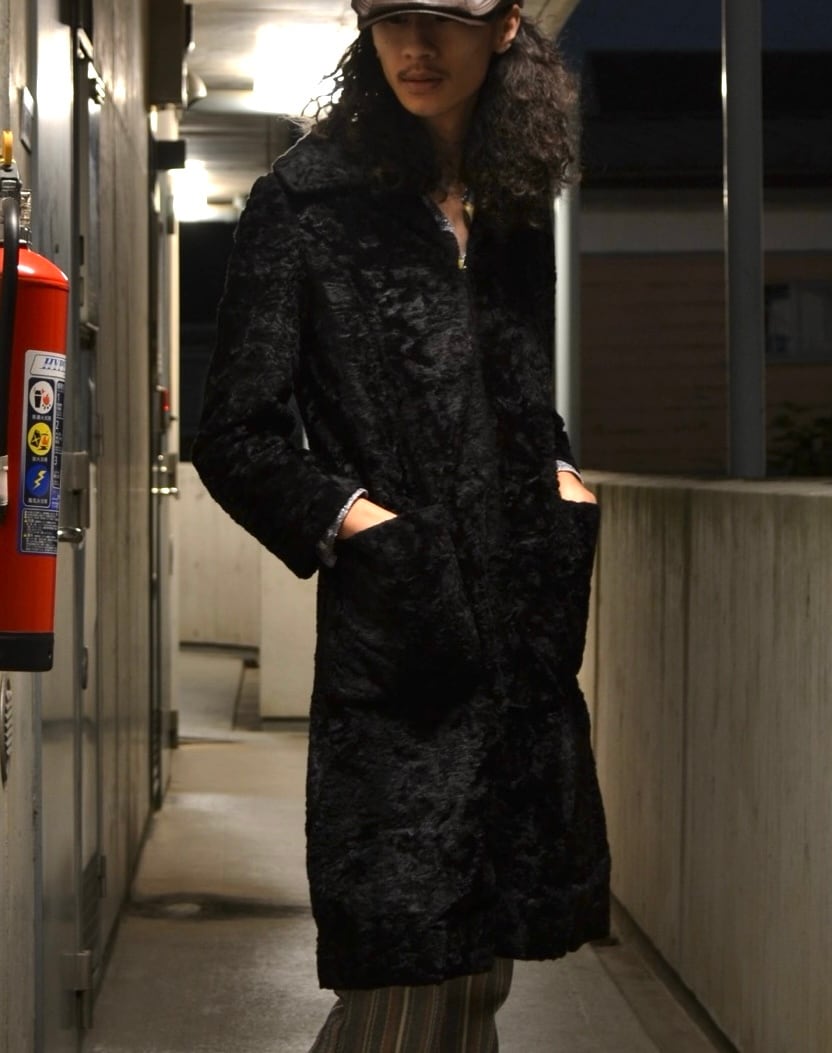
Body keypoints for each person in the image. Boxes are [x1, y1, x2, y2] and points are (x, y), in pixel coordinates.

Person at [192, 1, 610, 1049]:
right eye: (391, 18)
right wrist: (365, 528)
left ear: (503, 28)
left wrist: (561, 478)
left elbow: (523, 397)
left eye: (444, 20)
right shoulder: (307, 203)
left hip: (521, 648)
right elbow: (233, 434)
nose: (415, 47)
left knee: (473, 986)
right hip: (403, 654)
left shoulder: (513, 204)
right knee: (404, 986)